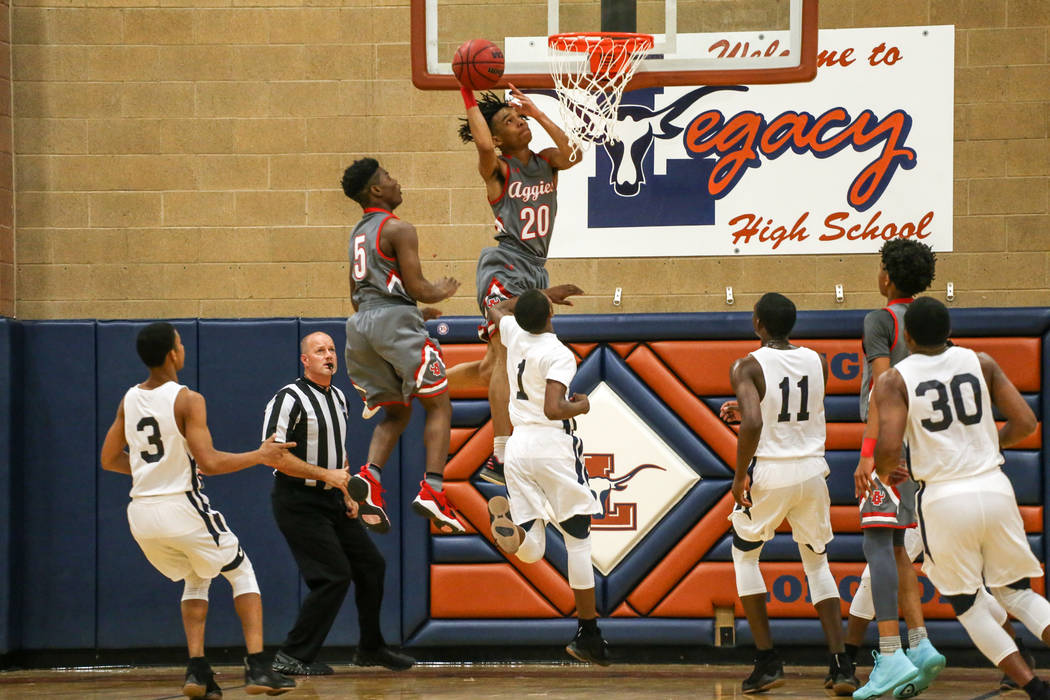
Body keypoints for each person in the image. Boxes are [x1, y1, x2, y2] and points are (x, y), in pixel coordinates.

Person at [99, 322, 297, 699]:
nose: (182, 346)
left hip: (141, 514)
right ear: (173, 354)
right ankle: (258, 667)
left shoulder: (128, 398)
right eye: (179, 342)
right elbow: (212, 462)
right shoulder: (188, 399)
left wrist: (154, 469)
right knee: (242, 572)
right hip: (181, 507)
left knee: (196, 575)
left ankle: (198, 671)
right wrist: (260, 455)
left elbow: (109, 459)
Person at [871, 297, 1050, 700]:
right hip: (995, 485)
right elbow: (1025, 421)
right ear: (949, 328)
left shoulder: (895, 379)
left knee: (967, 603)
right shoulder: (981, 361)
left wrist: (886, 474)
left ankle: (1034, 687)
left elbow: (886, 447)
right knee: (1018, 593)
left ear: (909, 337)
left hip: (944, 497)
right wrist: (989, 445)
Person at [718, 293, 856, 696]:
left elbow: (756, 422)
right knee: (817, 563)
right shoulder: (818, 360)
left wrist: (739, 476)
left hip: (772, 471)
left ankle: (767, 661)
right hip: (813, 470)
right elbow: (800, 410)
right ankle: (841, 665)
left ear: (757, 323)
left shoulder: (746, 365)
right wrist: (747, 410)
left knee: (744, 555)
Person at [447, 85, 584, 486]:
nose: (519, 123)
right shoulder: (499, 169)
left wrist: (538, 114)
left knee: (493, 368)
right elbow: (485, 149)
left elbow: (573, 153)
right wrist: (466, 92)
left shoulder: (546, 163)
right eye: (510, 121)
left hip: (536, 270)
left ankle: (414, 380)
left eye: (518, 117)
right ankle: (501, 457)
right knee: (508, 356)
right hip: (505, 265)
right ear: (498, 138)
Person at [265, 331, 414, 677]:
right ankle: (291, 655)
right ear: (305, 360)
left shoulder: (340, 398)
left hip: (332, 497)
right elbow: (271, 455)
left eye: (331, 350)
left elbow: (338, 453)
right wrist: (326, 475)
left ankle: (370, 648)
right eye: (319, 351)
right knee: (333, 576)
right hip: (297, 500)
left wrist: (347, 493)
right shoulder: (288, 398)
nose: (328, 355)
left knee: (372, 565)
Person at [482, 288, 609, 665]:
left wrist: (535, 298)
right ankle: (588, 633)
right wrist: (581, 406)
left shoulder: (512, 333)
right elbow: (556, 409)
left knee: (533, 546)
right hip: (552, 446)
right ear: (551, 313)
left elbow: (493, 307)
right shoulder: (558, 353)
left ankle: (515, 533)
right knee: (577, 539)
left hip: (518, 447)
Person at [340, 157, 466, 535]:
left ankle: (371, 478)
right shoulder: (399, 228)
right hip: (392, 322)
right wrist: (436, 292)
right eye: (389, 178)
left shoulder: (357, 234)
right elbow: (416, 286)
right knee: (439, 404)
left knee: (395, 414)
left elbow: (357, 296)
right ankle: (433, 489)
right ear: (376, 190)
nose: (397, 183)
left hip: (360, 327)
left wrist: (409, 313)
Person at [848, 239, 946, 699]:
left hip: (890, 446)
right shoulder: (932, 322)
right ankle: (920, 644)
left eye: (880, 266)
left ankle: (889, 654)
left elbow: (884, 390)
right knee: (898, 546)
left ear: (887, 275)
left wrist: (871, 454)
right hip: (923, 446)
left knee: (876, 543)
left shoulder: (880, 319)